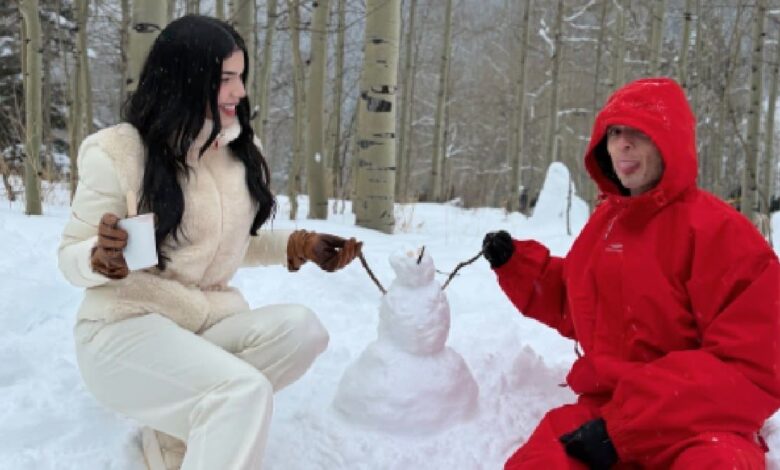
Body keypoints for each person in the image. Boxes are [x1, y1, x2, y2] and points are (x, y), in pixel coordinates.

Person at [58, 15, 362, 470]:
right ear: (186, 80)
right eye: (226, 79)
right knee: (243, 391)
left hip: (202, 325)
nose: (240, 91)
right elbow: (68, 256)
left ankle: (179, 431)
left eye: (241, 77)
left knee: (303, 330)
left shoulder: (235, 153)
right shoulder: (119, 153)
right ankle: (205, 414)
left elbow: (232, 245)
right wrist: (97, 257)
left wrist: (298, 246)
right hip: (125, 328)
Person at [483, 77, 780, 469]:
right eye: (615, 132)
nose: (622, 143)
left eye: (639, 132)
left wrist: (625, 428)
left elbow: (752, 365)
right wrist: (519, 266)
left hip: (701, 423)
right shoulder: (605, 227)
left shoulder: (719, 232)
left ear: (669, 142)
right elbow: (578, 306)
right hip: (604, 411)